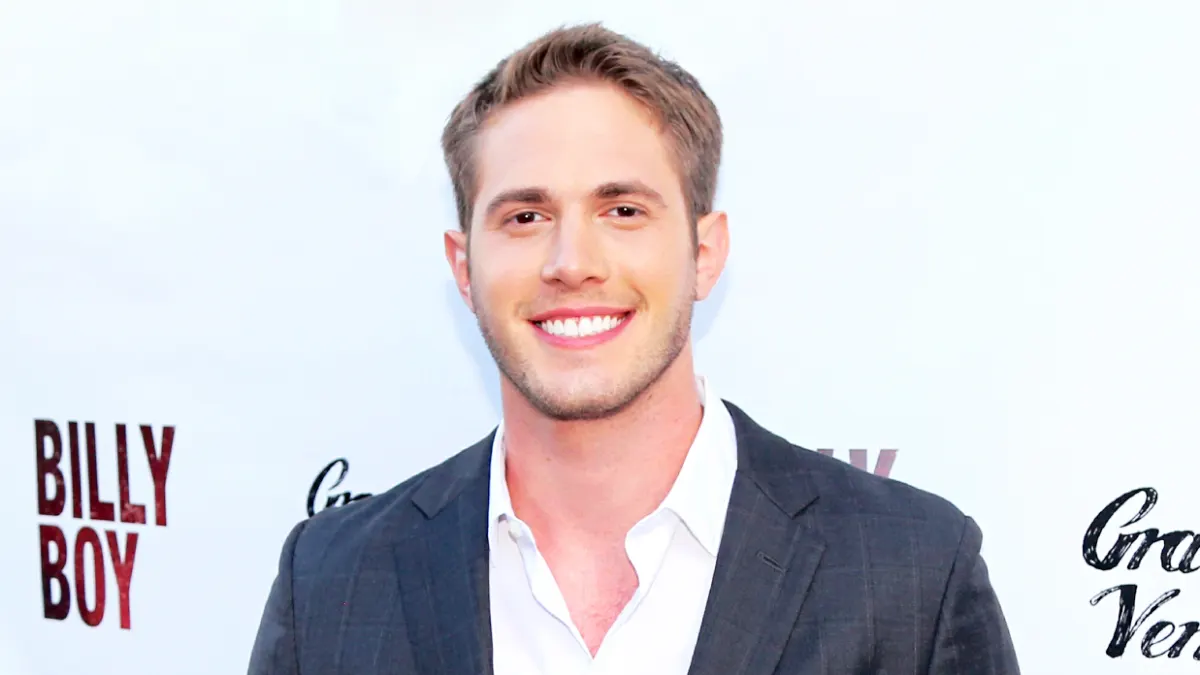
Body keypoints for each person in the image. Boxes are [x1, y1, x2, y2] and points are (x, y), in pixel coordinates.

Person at [248, 22, 1020, 675]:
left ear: (705, 252)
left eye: (622, 209)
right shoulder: (331, 584)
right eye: (524, 217)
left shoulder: (911, 572)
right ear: (463, 265)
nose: (571, 260)